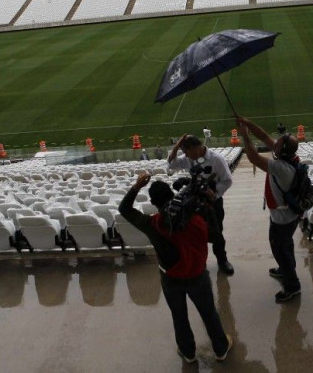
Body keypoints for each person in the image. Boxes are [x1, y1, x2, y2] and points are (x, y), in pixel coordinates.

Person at [118, 173, 233, 363]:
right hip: (197, 276)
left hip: (170, 279)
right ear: (173, 196)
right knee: (209, 313)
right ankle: (221, 349)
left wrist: (137, 186)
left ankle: (188, 352)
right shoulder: (196, 220)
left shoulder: (152, 224)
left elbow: (124, 208)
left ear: (154, 203)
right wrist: (210, 207)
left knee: (179, 317)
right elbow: (217, 237)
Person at [236, 116, 302, 303]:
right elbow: (264, 137)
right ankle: (285, 269)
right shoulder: (291, 157)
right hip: (289, 215)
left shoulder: (281, 168)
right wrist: (247, 123)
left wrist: (245, 136)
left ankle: (292, 287)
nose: (274, 143)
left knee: (280, 250)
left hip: (282, 219)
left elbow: (253, 157)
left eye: (278, 143)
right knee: (286, 245)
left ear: (281, 149)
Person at [168, 134, 234, 275]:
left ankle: (222, 261)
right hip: (194, 202)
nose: (185, 155)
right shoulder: (188, 159)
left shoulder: (216, 159)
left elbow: (227, 180)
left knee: (217, 234)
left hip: (212, 202)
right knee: (196, 233)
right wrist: (176, 146)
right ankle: (200, 263)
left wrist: (214, 193)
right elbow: (172, 164)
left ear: (194, 148)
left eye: (186, 152)